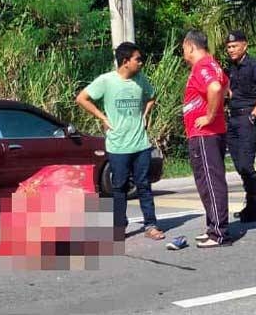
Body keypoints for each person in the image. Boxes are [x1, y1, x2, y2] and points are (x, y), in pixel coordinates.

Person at [76, 41, 164, 241]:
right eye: (138, 59)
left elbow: (151, 97)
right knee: (119, 186)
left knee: (143, 184)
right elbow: (82, 98)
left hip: (140, 144)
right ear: (125, 61)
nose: (141, 63)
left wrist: (145, 114)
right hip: (118, 145)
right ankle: (118, 227)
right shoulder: (106, 81)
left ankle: (151, 224)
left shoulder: (141, 80)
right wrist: (103, 118)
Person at [181, 30, 231, 247]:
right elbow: (226, 86)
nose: (183, 54)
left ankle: (218, 232)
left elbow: (216, 87)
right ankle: (213, 226)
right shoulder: (213, 64)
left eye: (183, 49)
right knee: (208, 181)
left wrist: (210, 115)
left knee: (210, 181)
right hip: (210, 133)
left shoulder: (202, 67)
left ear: (190, 46)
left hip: (205, 134)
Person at [224, 30, 256, 223]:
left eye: (234, 46)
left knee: (246, 163)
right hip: (232, 119)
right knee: (237, 163)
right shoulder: (231, 68)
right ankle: (253, 204)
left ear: (245, 45)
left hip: (247, 119)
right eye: (228, 47)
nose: (231, 50)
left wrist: (254, 115)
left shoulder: (255, 67)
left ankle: (252, 201)